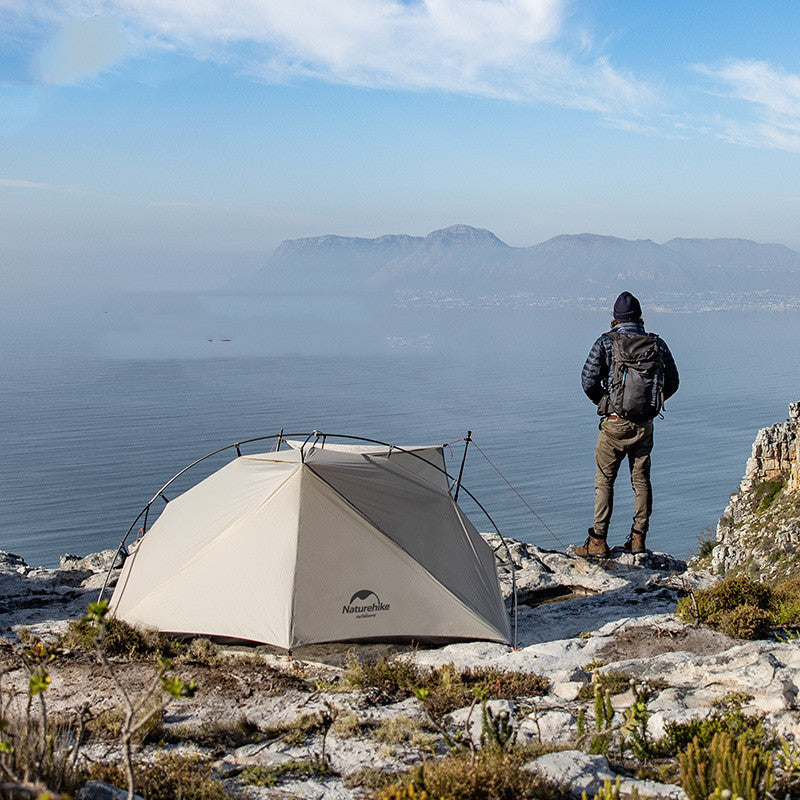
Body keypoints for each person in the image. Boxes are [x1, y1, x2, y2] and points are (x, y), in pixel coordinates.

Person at [576, 291, 679, 557]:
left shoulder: (606, 342)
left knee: (604, 481)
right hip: (644, 425)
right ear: (640, 316)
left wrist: (607, 404)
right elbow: (674, 381)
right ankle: (638, 540)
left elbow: (588, 380)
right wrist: (653, 403)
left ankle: (598, 541)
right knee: (641, 481)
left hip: (613, 425)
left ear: (615, 317)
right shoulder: (656, 343)